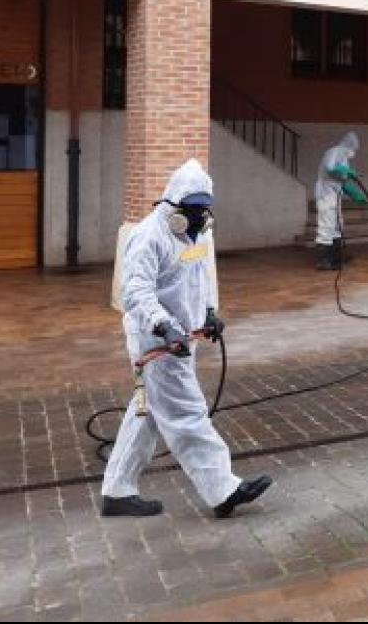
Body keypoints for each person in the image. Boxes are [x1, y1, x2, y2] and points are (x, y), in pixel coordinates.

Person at [102, 158, 272, 518]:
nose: (198, 218)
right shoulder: (150, 235)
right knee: (186, 412)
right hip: (157, 340)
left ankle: (117, 490)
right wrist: (165, 327)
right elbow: (135, 293)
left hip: (183, 336)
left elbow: (201, 276)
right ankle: (223, 490)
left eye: (203, 210)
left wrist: (209, 312)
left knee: (146, 412)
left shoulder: (199, 233)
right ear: (173, 205)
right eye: (191, 210)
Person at [314, 131, 368, 271]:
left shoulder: (344, 158)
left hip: (335, 195)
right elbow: (330, 168)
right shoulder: (334, 152)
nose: (352, 152)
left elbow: (342, 181)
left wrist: (356, 195)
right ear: (347, 145)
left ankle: (336, 257)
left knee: (338, 225)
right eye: (352, 149)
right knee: (326, 226)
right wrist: (348, 170)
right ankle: (324, 260)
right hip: (325, 195)